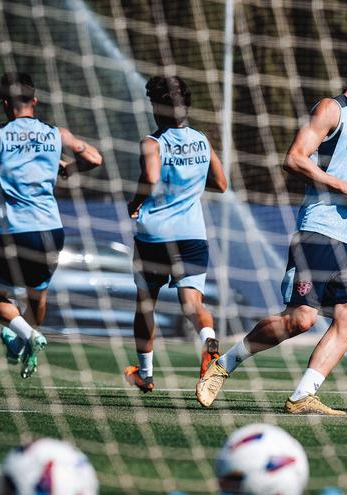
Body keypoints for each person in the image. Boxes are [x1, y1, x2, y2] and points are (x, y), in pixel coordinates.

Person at [196, 47, 347, 415]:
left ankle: (304, 394)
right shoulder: (331, 109)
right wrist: (344, 187)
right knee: (300, 320)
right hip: (320, 232)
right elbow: (295, 158)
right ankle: (224, 363)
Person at [0, 72, 102, 379]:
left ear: (5, 104)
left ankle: (26, 335)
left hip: (14, 229)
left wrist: (1, 157)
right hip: (50, 230)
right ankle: (22, 340)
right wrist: (69, 168)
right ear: (35, 101)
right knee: (37, 296)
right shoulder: (56, 132)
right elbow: (95, 158)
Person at [124, 75, 228, 393]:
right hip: (193, 236)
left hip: (155, 236)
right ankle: (207, 338)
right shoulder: (202, 140)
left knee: (145, 303)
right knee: (192, 303)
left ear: (156, 106)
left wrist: (136, 201)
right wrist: (192, 186)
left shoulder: (152, 142)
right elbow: (222, 184)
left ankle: (146, 374)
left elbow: (152, 176)